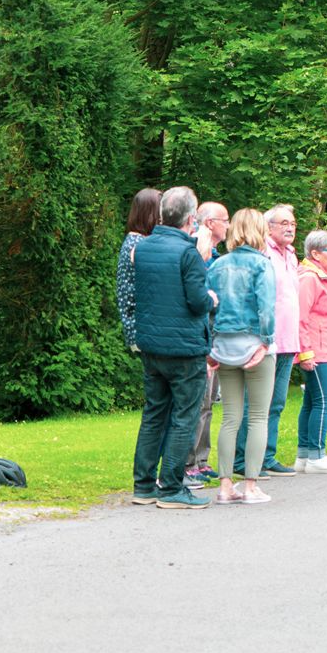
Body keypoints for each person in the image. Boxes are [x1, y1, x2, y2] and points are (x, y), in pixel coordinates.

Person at [129, 187, 215, 509]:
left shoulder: (144, 246)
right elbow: (196, 301)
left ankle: (144, 485)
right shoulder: (188, 253)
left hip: (152, 346)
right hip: (184, 349)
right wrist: (211, 300)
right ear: (191, 219)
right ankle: (172, 488)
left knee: (154, 413)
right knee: (185, 416)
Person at [205, 208, 276, 505]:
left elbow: (206, 308)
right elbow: (267, 309)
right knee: (258, 417)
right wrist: (266, 343)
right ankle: (250, 487)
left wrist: (210, 348)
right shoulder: (262, 265)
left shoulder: (217, 265)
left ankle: (224, 487)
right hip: (253, 345)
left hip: (223, 346)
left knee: (230, 418)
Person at [232, 204, 302, 477]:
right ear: (268, 226)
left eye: (293, 223)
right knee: (254, 404)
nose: (290, 227)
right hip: (264, 341)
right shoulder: (263, 253)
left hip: (288, 341)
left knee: (277, 402)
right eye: (283, 222)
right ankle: (242, 460)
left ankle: (266, 457)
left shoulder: (292, 256)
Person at [184, 202, 230, 489]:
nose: (228, 225)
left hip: (215, 337)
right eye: (225, 219)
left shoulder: (214, 255)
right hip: (201, 338)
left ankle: (202, 458)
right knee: (198, 402)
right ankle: (188, 463)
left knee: (209, 403)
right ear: (210, 223)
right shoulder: (197, 255)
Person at [293, 230, 327, 473]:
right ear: (315, 253)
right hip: (317, 349)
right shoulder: (309, 278)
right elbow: (300, 317)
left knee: (313, 400)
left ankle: (304, 456)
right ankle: (317, 456)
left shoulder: (325, 276)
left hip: (326, 347)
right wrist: (306, 352)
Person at [115, 188, 162, 352]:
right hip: (142, 328)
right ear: (150, 213)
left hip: (138, 326)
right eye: (160, 212)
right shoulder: (139, 244)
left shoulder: (134, 240)